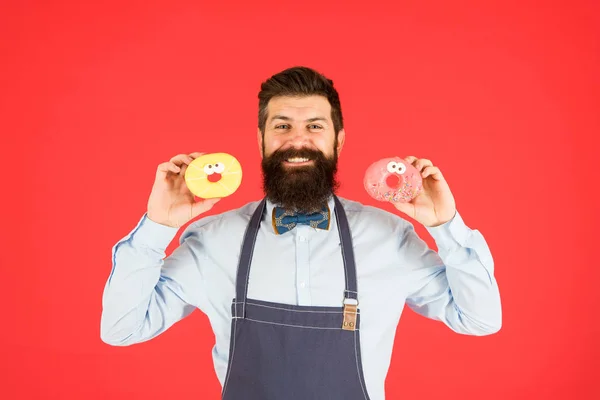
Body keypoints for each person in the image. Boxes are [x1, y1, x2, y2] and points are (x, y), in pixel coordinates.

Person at [100, 66, 502, 400]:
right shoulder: (214, 239)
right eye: (281, 125)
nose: (297, 140)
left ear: (338, 142)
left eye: (314, 125)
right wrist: (157, 226)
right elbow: (122, 329)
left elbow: (479, 319)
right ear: (260, 140)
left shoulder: (388, 237)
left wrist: (445, 226)